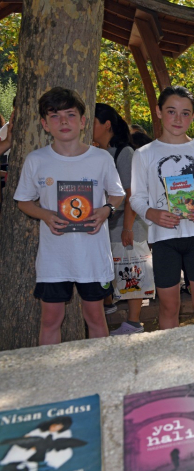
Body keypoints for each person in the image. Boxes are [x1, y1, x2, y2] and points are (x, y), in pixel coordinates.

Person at [14, 87, 125, 345]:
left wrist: (106, 210)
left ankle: (101, 367)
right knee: (51, 319)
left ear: (83, 121)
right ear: (45, 124)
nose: (63, 121)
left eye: (70, 115)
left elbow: (117, 195)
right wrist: (45, 215)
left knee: (95, 316)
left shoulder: (101, 158)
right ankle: (50, 371)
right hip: (54, 258)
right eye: (55, 116)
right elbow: (23, 201)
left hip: (92, 255)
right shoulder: (36, 160)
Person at [130, 86, 194, 330]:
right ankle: (170, 354)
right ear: (159, 111)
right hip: (163, 240)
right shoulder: (144, 154)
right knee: (168, 307)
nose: (178, 119)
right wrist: (152, 213)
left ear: (193, 115)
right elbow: (136, 198)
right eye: (171, 111)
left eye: (185, 113)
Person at [92, 103, 149, 335]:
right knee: (115, 271)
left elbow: (131, 193)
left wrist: (127, 228)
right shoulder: (98, 152)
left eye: (92, 122)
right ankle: (111, 307)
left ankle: (133, 323)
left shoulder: (125, 153)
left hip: (127, 226)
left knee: (131, 271)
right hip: (108, 227)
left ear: (107, 125)